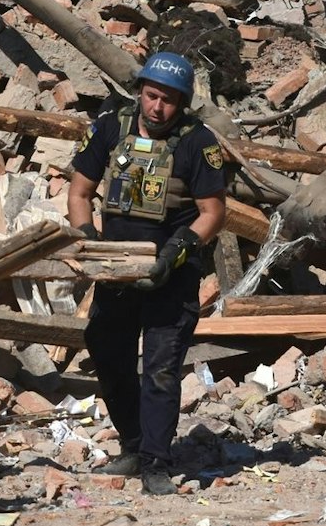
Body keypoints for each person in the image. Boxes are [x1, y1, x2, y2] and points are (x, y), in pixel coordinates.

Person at [67, 52, 228, 496]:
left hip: (171, 272)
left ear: (183, 104)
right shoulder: (108, 127)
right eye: (152, 96)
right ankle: (134, 445)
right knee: (106, 350)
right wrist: (89, 242)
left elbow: (213, 213)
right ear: (140, 90)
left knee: (161, 367)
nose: (158, 108)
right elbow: (79, 192)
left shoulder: (199, 142)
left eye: (169, 101)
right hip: (116, 269)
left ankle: (158, 460)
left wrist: (176, 252)